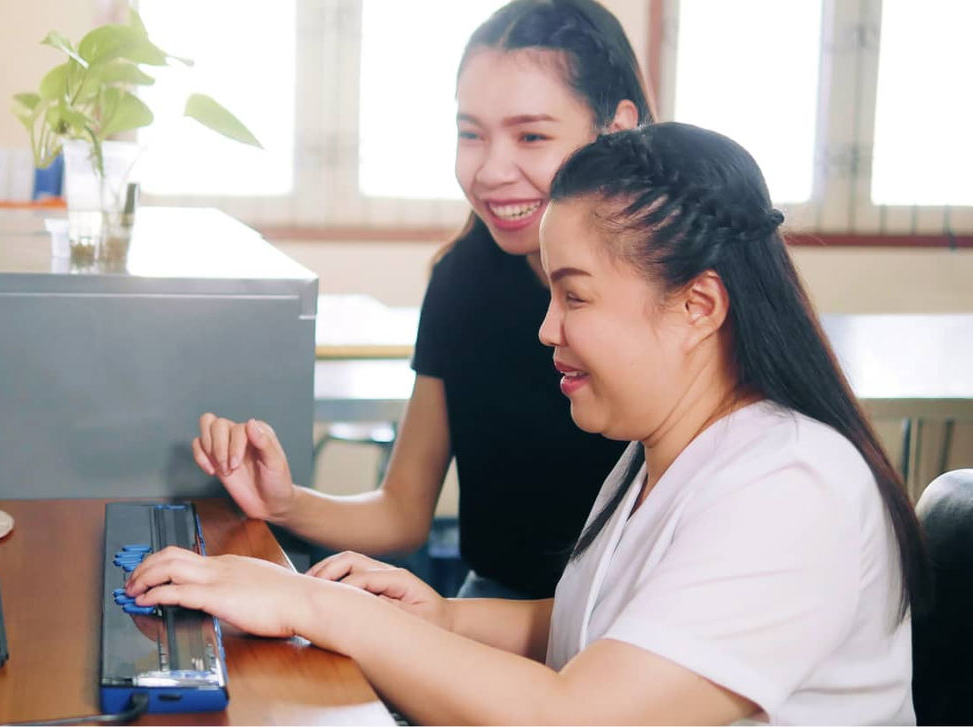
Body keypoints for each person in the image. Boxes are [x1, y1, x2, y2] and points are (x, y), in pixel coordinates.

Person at [126, 122, 928, 724]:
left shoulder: (791, 486)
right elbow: (611, 625)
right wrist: (442, 615)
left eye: (574, 296)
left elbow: (575, 715)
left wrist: (319, 606)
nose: (548, 328)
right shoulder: (663, 449)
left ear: (697, 305)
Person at [193, 0, 655, 600]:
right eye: (471, 134)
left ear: (615, 130)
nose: (491, 170)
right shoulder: (464, 279)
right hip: (494, 600)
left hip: (635, 618)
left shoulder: (671, 292)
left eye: (531, 136)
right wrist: (282, 501)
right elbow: (402, 511)